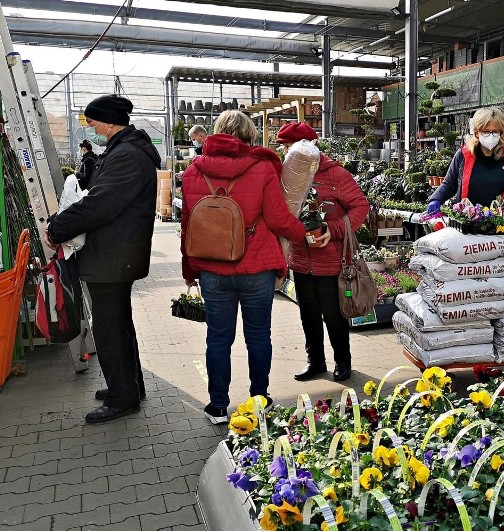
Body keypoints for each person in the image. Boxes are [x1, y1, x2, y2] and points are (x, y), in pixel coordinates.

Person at [181, 111, 307, 425]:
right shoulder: (263, 166)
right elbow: (278, 218)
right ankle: (259, 400)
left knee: (218, 339)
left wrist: (189, 271)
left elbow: (188, 227)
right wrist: (303, 234)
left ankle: (218, 406)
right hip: (257, 268)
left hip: (213, 270)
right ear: (249, 136)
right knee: (258, 337)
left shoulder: (194, 172)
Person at [46, 95, 159, 424]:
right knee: (119, 325)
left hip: (113, 255)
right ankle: (128, 387)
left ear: (110, 122)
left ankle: (123, 398)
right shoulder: (125, 150)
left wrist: (59, 225)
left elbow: (100, 204)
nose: (90, 126)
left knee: (110, 328)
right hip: (115, 253)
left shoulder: (126, 154)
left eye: (93, 121)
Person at [276, 122, 370, 383]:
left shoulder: (336, 174)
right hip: (300, 258)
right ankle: (315, 361)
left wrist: (333, 228)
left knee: (333, 313)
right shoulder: (288, 174)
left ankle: (343, 360)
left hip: (331, 260)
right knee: (307, 313)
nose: (286, 152)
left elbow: (360, 207)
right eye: (284, 147)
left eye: (288, 146)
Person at [427, 107, 504, 212]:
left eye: (495, 132)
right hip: (466, 220)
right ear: (477, 132)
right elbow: (449, 184)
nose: (491, 136)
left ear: (501, 133)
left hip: (499, 221)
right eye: (486, 132)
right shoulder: (463, 155)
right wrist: (436, 199)